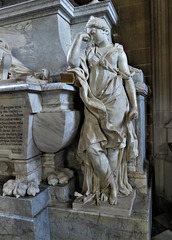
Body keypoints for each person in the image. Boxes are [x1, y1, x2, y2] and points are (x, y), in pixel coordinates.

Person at [67, 16, 138, 205]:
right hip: (92, 103)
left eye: (93, 31)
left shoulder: (117, 52)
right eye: (88, 32)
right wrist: (78, 39)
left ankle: (110, 187)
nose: (90, 35)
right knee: (91, 146)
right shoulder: (90, 52)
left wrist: (134, 106)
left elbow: (128, 79)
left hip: (115, 102)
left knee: (113, 146)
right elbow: (72, 62)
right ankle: (110, 183)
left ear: (105, 30)